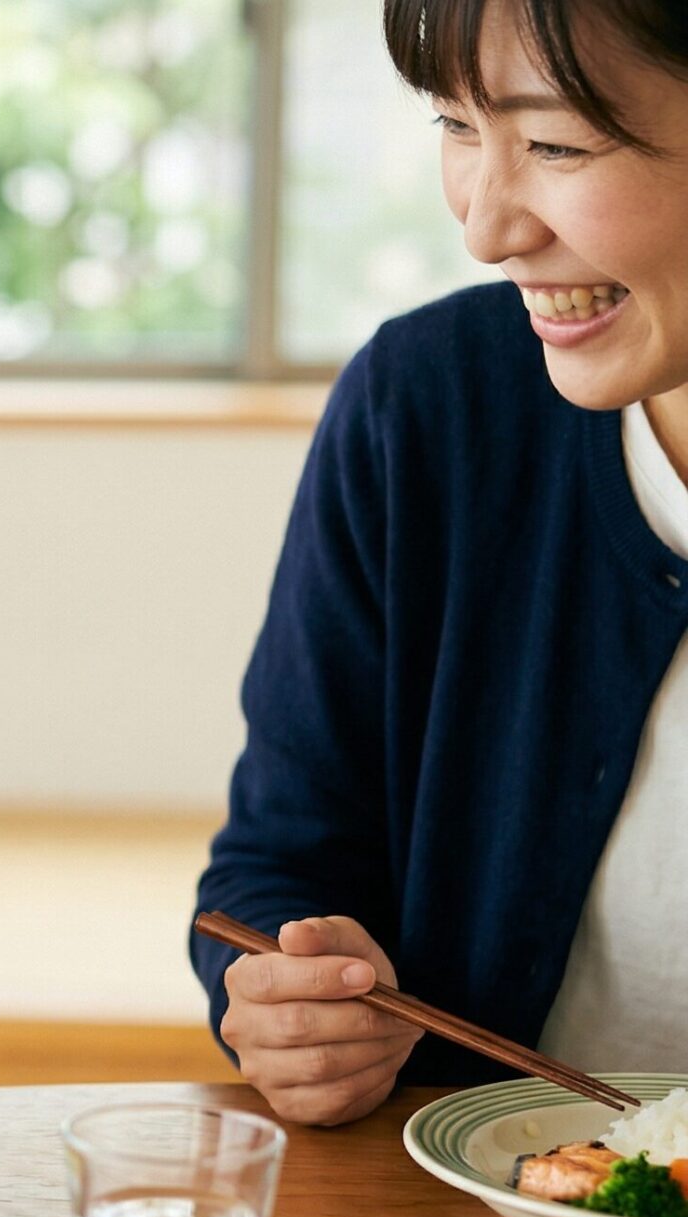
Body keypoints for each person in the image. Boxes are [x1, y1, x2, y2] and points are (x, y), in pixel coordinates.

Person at [195, 0, 688, 1125]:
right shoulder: (427, 408)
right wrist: (288, 998)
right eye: (456, 127)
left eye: (555, 143)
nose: (485, 225)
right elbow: (278, 863)